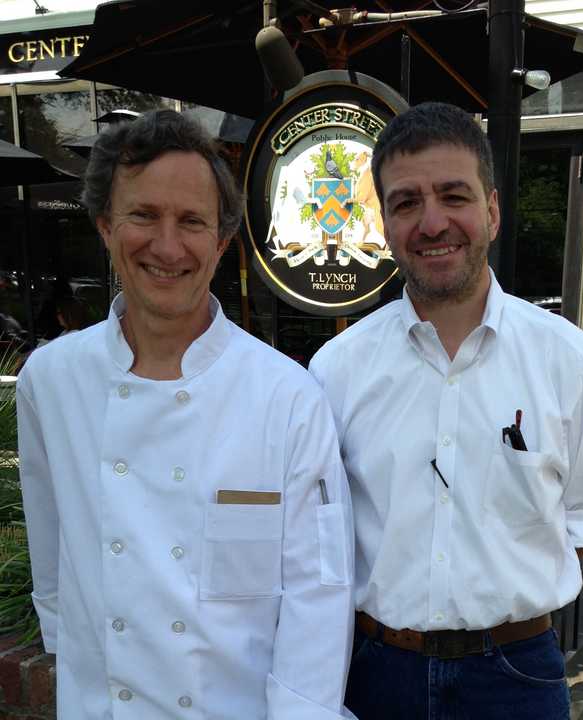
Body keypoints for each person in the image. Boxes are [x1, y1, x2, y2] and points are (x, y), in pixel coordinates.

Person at [18, 110, 356, 720]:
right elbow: (53, 575)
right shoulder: (52, 380)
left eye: (192, 221)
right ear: (105, 226)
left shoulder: (287, 397)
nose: (167, 246)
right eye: (143, 215)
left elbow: (319, 596)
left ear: (222, 242)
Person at [309, 102, 583, 720]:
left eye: (454, 196)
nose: (432, 222)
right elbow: (318, 536)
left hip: (516, 676)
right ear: (386, 223)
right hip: (374, 672)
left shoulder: (572, 361)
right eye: (405, 203)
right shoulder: (335, 371)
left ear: (493, 211)